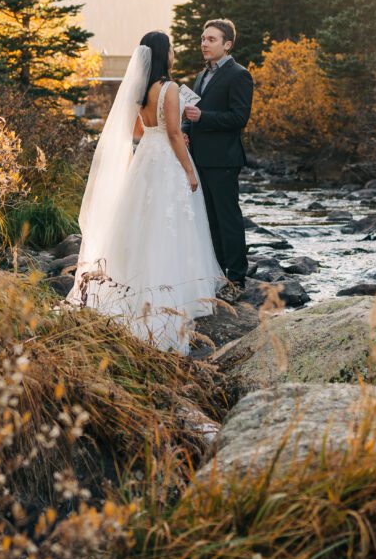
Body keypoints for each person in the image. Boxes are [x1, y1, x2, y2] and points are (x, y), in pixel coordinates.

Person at [65, 31, 225, 354]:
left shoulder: (140, 92)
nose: (174, 54)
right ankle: (168, 301)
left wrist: (158, 130)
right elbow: (176, 135)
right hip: (166, 160)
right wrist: (190, 170)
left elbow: (138, 130)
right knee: (171, 227)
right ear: (164, 54)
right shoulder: (168, 89)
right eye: (172, 50)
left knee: (142, 225)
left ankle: (129, 291)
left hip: (146, 159)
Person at [181, 18, 253, 295]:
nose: (204, 44)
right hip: (199, 158)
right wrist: (187, 129)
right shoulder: (202, 75)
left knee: (228, 219)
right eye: (202, 39)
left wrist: (203, 117)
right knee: (209, 219)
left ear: (227, 44)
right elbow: (192, 110)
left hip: (223, 160)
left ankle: (237, 278)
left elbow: (239, 118)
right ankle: (217, 271)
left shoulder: (239, 75)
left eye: (211, 39)